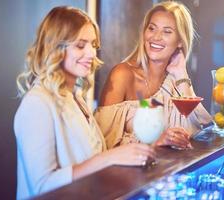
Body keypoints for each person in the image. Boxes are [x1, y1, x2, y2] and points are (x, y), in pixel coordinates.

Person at [14, 6, 156, 200]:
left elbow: (93, 156)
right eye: (80, 45)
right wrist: (109, 158)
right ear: (56, 48)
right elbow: (42, 186)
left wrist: (146, 146)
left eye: (93, 44)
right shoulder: (37, 103)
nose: (91, 54)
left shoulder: (75, 97)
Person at [95, 1, 211, 149]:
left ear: (180, 41)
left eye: (167, 31)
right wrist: (156, 142)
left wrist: (181, 73)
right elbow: (102, 143)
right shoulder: (122, 75)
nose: (156, 37)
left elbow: (200, 129)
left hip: (168, 170)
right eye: (152, 28)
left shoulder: (176, 79)